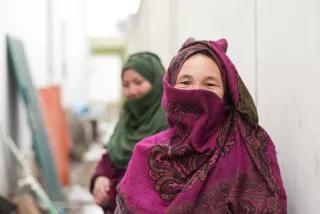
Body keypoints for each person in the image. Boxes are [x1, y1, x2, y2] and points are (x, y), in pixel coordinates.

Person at [115, 38, 287, 213]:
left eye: (210, 84)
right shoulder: (146, 154)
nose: (196, 91)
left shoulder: (250, 147)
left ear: (226, 93)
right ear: (170, 89)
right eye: (185, 82)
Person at [90, 52, 167, 213]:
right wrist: (100, 177)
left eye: (138, 82)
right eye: (126, 85)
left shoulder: (171, 124)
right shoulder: (127, 118)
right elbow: (110, 155)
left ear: (157, 82)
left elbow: (156, 183)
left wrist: (110, 190)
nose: (132, 91)